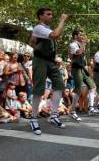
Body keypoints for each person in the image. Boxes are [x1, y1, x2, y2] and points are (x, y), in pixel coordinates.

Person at [29, 7, 68, 135]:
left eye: (52, 14)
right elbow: (55, 35)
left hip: (50, 61)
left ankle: (54, 115)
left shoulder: (45, 30)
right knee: (39, 89)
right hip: (40, 60)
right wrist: (62, 20)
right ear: (41, 16)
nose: (51, 16)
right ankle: (33, 119)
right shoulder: (39, 28)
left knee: (60, 85)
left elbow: (33, 41)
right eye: (48, 14)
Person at [69, 30, 99, 122]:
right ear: (75, 36)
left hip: (82, 68)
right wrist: (83, 43)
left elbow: (82, 57)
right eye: (80, 34)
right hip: (76, 69)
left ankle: (91, 107)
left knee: (93, 87)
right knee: (79, 90)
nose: (82, 36)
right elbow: (78, 52)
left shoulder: (81, 45)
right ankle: (72, 111)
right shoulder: (73, 45)